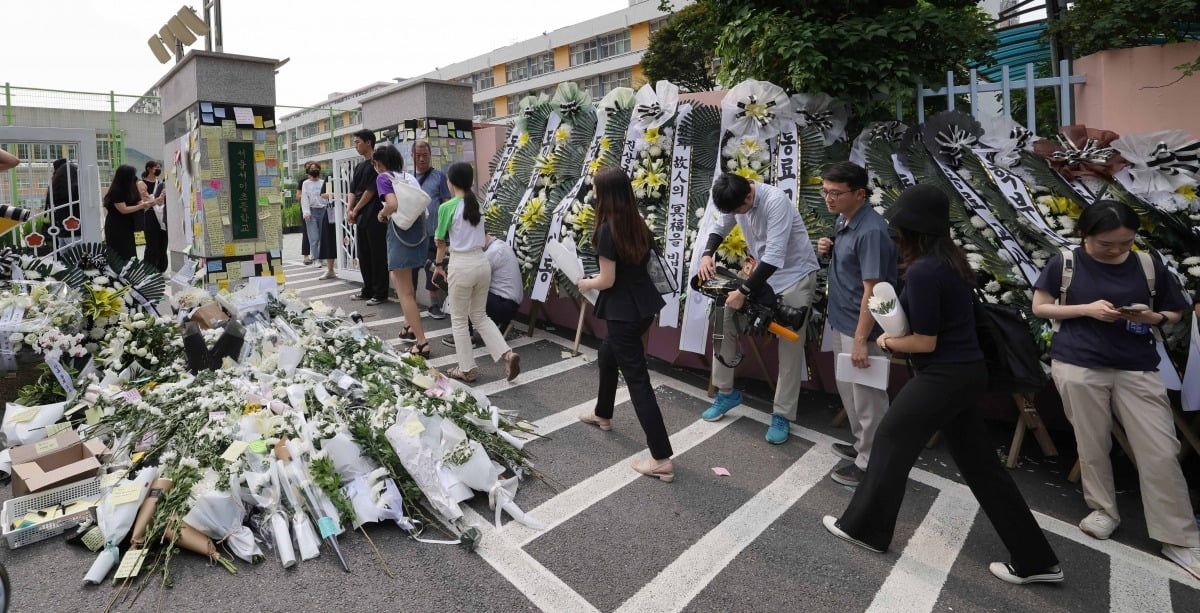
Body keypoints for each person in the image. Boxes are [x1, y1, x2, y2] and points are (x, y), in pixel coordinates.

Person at [824, 184, 1063, 585]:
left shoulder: (922, 272)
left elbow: (924, 341)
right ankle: (1037, 560)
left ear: (909, 230)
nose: (893, 235)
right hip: (966, 375)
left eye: (896, 228)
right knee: (982, 467)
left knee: (891, 438)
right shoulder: (949, 262)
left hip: (943, 376)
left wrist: (885, 340)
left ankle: (865, 529)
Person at [1031, 199, 1200, 580]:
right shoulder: (1065, 261)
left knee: (1160, 449)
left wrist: (1151, 316)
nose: (1118, 250)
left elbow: (1174, 310)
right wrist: (1086, 309)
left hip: (1137, 365)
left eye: (1126, 242)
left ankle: (1179, 536)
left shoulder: (1146, 262)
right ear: (1085, 234)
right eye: (1108, 243)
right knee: (1092, 444)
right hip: (1078, 363)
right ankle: (1103, 511)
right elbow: (1041, 307)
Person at [697, 172, 820, 444]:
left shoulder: (775, 201)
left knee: (790, 339)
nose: (737, 214)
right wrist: (707, 254)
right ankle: (726, 392)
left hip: (794, 275)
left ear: (749, 196)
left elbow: (775, 256)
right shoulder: (734, 196)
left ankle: (782, 414)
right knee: (723, 314)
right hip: (763, 276)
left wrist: (743, 291)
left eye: (740, 209)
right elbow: (720, 226)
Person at [576, 167, 675, 482]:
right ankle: (603, 413)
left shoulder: (608, 228)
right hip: (642, 308)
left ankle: (661, 457)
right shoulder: (637, 222)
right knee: (608, 354)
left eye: (595, 189)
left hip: (623, 312)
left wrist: (585, 283)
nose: (593, 194)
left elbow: (607, 279)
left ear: (606, 194)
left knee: (637, 381)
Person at [816, 161, 897, 487]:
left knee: (868, 398)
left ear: (859, 194)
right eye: (825, 191)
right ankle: (862, 446)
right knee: (850, 392)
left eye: (835, 193)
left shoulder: (872, 231)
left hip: (863, 328)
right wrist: (829, 247)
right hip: (843, 320)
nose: (828, 198)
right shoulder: (846, 220)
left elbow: (873, 290)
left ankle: (871, 464)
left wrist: (863, 339)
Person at [430, 162, 521, 382]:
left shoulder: (447, 207)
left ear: (450, 182)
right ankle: (507, 354)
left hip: (461, 265)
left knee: (460, 320)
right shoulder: (477, 205)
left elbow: (440, 242)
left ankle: (467, 369)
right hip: (481, 263)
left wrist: (438, 266)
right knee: (479, 315)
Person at [374, 144, 433, 357]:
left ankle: (422, 342)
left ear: (379, 163)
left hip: (400, 236)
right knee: (404, 286)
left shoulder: (383, 177)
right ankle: (409, 325)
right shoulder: (408, 176)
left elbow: (391, 203)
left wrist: (381, 215)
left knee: (405, 292)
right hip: (418, 235)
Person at [442, 234, 524, 349]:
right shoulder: (500, 245)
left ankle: (466, 337)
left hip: (503, 305)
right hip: (507, 304)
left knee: (463, 290)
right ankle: (500, 325)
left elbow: (472, 275)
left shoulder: (494, 251)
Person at [347, 130, 389, 306]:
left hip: (374, 215)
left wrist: (355, 210)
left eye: (358, 142)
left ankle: (380, 293)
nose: (356, 145)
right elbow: (352, 189)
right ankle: (368, 289)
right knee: (363, 254)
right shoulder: (358, 166)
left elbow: (370, 191)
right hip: (360, 216)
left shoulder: (376, 164)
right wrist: (349, 209)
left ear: (369, 142)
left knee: (377, 254)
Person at [413, 141, 452, 320]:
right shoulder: (408, 177)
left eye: (425, 155)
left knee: (434, 268)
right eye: (418, 155)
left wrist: (446, 228)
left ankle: (433, 304)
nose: (422, 159)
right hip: (412, 233)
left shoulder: (439, 176)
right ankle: (410, 302)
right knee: (411, 269)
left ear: (430, 155)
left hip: (434, 232)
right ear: (412, 156)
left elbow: (445, 202)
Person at [103, 165, 152, 260]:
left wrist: (152, 202)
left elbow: (140, 204)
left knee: (130, 252)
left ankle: (131, 273)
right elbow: (123, 209)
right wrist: (141, 206)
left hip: (129, 225)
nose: (135, 177)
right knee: (118, 253)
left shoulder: (132, 189)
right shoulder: (116, 191)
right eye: (132, 175)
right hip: (116, 226)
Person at [301, 161, 335, 279]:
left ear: (319, 170)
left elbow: (329, 195)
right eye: (311, 168)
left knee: (323, 237)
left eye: (316, 168)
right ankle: (316, 259)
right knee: (314, 237)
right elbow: (304, 198)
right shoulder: (305, 183)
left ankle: (322, 258)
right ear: (308, 171)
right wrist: (306, 212)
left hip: (324, 210)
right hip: (312, 211)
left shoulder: (323, 182)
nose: (314, 170)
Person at [138, 161, 168, 272]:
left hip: (161, 215)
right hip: (149, 215)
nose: (158, 169)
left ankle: (161, 268)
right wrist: (155, 201)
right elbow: (145, 201)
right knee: (152, 243)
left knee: (163, 242)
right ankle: (149, 269)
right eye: (156, 167)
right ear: (149, 169)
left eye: (160, 167)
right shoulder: (141, 183)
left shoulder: (160, 183)